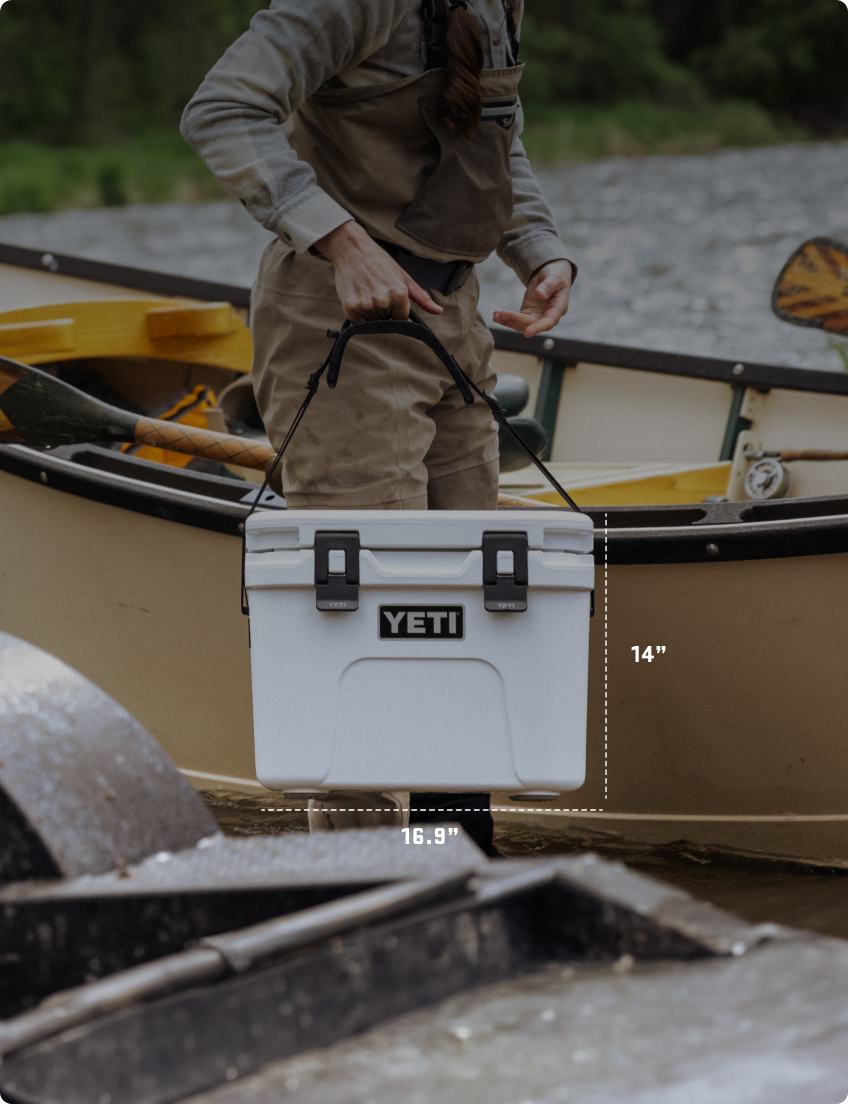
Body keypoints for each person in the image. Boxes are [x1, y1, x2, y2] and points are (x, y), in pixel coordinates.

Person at [182, 0, 575, 855]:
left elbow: (492, 142)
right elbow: (221, 110)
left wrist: (540, 249)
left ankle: (455, 857)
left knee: (470, 607)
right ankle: (357, 877)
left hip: (455, 320)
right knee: (365, 612)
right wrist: (341, 241)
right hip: (340, 330)